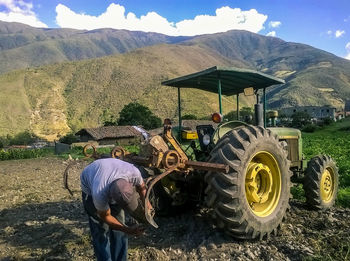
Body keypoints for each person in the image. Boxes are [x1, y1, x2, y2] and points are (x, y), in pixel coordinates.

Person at [80, 157, 152, 261]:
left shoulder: (134, 173)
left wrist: (147, 205)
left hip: (110, 174)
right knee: (101, 230)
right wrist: (128, 230)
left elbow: (142, 189)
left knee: (119, 227)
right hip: (90, 188)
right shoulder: (99, 192)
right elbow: (106, 216)